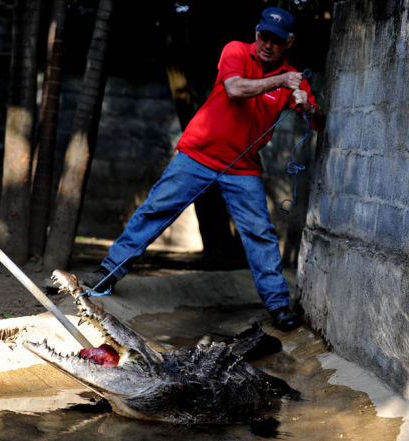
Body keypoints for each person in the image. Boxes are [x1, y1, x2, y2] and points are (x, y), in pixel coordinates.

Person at [82, 7, 326, 332]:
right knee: (157, 209)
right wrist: (281, 80)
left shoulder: (293, 77)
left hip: (243, 166)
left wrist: (308, 106)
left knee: (259, 233)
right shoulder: (236, 51)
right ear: (256, 33)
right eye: (264, 37)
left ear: (289, 42)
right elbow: (235, 89)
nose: (268, 44)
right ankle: (108, 273)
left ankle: (279, 306)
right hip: (199, 153)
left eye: (277, 40)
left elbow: (318, 123)